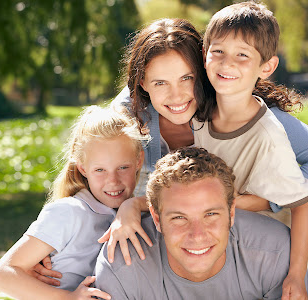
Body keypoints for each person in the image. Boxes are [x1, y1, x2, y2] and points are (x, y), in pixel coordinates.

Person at [98, 16, 308, 266]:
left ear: (206, 70)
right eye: (160, 82)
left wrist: (261, 201)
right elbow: (85, 170)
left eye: (187, 78)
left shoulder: (241, 112)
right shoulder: (128, 113)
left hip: (247, 239)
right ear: (143, 83)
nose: (176, 96)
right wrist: (57, 241)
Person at [192, 2, 308, 298]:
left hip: (263, 254)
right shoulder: (198, 116)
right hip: (220, 242)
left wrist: (296, 275)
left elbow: (302, 203)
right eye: (218, 51)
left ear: (266, 67)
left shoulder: (267, 135)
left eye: (242, 55)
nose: (226, 63)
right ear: (204, 55)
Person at [94, 147, 308, 299]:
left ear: (231, 213)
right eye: (179, 218)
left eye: (211, 214)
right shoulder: (122, 267)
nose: (197, 235)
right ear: (157, 219)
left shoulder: (275, 253)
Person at [0, 105, 148, 299]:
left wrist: (136, 204)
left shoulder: (130, 213)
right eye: (100, 170)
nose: (113, 181)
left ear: (139, 159)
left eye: (123, 167)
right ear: (82, 167)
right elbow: (1, 275)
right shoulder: (69, 212)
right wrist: (68, 298)